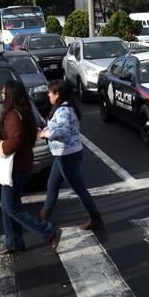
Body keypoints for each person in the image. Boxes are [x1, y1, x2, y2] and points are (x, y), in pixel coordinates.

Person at [0, 80, 62, 255]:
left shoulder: (13, 115)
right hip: (20, 165)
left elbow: (15, 141)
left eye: (3, 94)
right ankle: (14, 242)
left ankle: (48, 232)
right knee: (7, 205)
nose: (1, 97)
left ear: (10, 96)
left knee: (12, 207)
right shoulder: (22, 112)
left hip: (15, 166)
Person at [37, 80, 103, 231]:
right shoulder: (63, 108)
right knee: (52, 185)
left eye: (50, 92)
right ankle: (43, 218)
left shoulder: (63, 111)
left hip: (67, 155)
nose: (48, 95)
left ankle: (96, 218)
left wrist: (46, 134)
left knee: (79, 189)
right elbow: (61, 127)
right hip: (64, 153)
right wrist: (46, 128)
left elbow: (64, 132)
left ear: (57, 94)